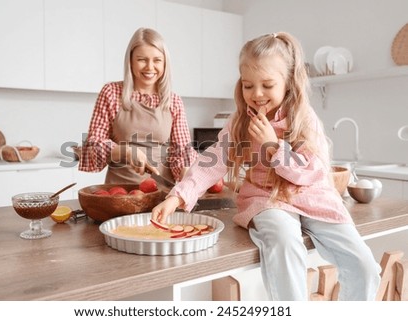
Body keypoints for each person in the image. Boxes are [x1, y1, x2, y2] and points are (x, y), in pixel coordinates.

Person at [152, 32, 381, 301]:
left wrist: (273, 147)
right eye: (248, 86)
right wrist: (178, 195)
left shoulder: (304, 118)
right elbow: (214, 158)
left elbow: (313, 171)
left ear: (288, 82)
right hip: (267, 198)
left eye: (267, 85)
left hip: (314, 196)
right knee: (283, 241)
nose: (257, 94)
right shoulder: (241, 121)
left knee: (364, 266)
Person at [79, 28, 197, 184]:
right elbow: (93, 146)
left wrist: (186, 178)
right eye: (142, 59)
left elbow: (181, 151)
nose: (150, 67)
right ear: (130, 61)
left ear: (165, 63)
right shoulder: (111, 93)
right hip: (120, 195)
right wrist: (126, 152)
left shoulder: (173, 101)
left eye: (157, 60)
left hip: (161, 195)